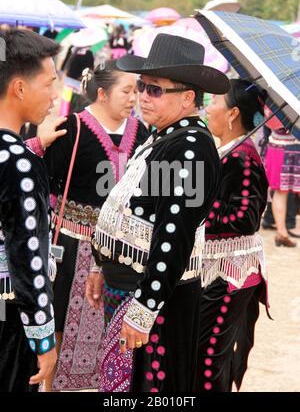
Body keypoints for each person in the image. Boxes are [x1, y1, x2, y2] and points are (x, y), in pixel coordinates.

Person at [86, 34, 229, 392]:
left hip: (156, 300)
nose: (142, 97)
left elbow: (173, 237)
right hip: (129, 288)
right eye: (141, 87)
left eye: (154, 90)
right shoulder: (164, 136)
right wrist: (102, 264)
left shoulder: (190, 148)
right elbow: (128, 209)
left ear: (187, 98)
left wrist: (144, 309)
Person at [34, 60, 149, 391]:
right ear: (102, 93)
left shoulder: (140, 133)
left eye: (137, 91)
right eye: (127, 90)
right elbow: (44, 181)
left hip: (117, 249)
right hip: (70, 245)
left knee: (112, 328)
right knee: (57, 321)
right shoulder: (72, 128)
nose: (134, 98)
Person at [198, 79, 269, 392]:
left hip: (230, 274)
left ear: (232, 113)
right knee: (208, 358)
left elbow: (245, 217)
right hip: (221, 268)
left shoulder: (242, 158)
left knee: (209, 359)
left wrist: (198, 215)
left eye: (214, 101)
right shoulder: (231, 150)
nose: (207, 108)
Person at [0, 28, 59, 391]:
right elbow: (29, 258)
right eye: (50, 83)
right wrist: (43, 337)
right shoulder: (19, 162)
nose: (56, 96)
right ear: (19, 88)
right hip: (8, 318)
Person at [264, 128, 300, 247]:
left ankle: (281, 233)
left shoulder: (278, 109)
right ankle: (282, 233)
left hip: (277, 145)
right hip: (294, 146)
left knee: (280, 192)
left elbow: (270, 122)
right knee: (280, 191)